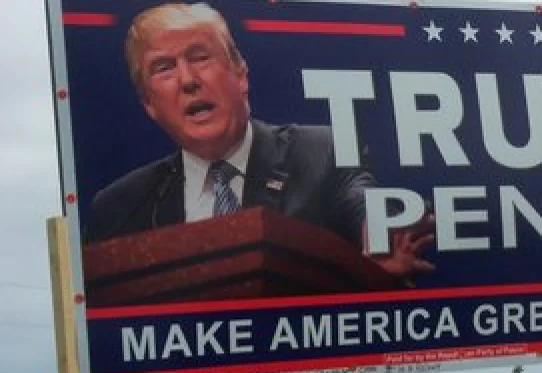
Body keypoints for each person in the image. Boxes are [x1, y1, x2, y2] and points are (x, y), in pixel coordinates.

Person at [83, 2, 434, 281]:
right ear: (149, 103)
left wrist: (378, 230)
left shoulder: (320, 151)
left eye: (199, 57)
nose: (187, 80)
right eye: (163, 68)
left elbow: (360, 199)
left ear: (240, 74)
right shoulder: (118, 208)